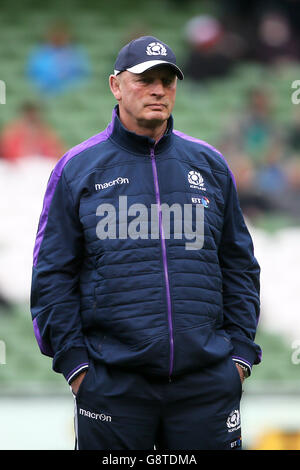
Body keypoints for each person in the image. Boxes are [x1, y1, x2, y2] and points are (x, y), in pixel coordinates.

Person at [30, 35, 261, 450]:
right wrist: (77, 367)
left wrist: (239, 357)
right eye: (145, 80)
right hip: (112, 386)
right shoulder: (77, 169)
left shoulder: (209, 164)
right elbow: (52, 275)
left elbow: (240, 265)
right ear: (115, 86)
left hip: (206, 386)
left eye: (167, 81)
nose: (158, 90)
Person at [0, 101, 65, 162]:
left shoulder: (45, 131)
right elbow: (6, 152)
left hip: (40, 165)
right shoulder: (13, 131)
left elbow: (55, 152)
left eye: (33, 113)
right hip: (18, 165)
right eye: (29, 114)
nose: (31, 116)